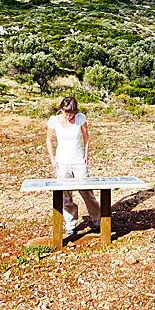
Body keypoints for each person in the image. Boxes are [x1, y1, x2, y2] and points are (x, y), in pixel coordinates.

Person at [46, 96, 100, 236]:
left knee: (87, 192)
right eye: (66, 113)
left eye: (71, 114)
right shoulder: (54, 121)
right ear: (61, 109)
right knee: (65, 194)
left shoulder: (80, 118)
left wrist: (86, 155)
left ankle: (98, 220)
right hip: (62, 162)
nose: (69, 117)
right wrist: (53, 159)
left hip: (78, 161)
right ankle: (70, 224)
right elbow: (49, 140)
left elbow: (86, 137)